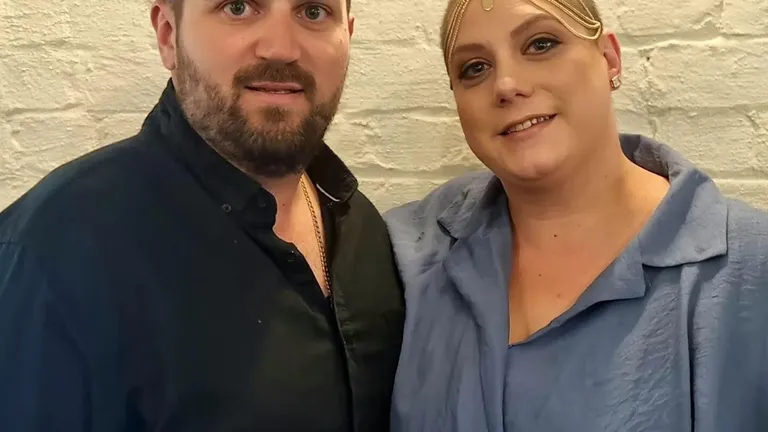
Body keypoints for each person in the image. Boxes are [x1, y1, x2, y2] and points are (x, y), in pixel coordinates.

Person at [0, 0, 405, 430]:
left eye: (313, 12)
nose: (281, 48)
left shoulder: (361, 226)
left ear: (348, 37)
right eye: (238, 7)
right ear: (169, 35)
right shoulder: (54, 254)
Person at [383, 0, 768, 430]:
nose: (506, 85)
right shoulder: (406, 252)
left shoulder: (750, 271)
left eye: (541, 43)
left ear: (609, 58)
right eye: (474, 68)